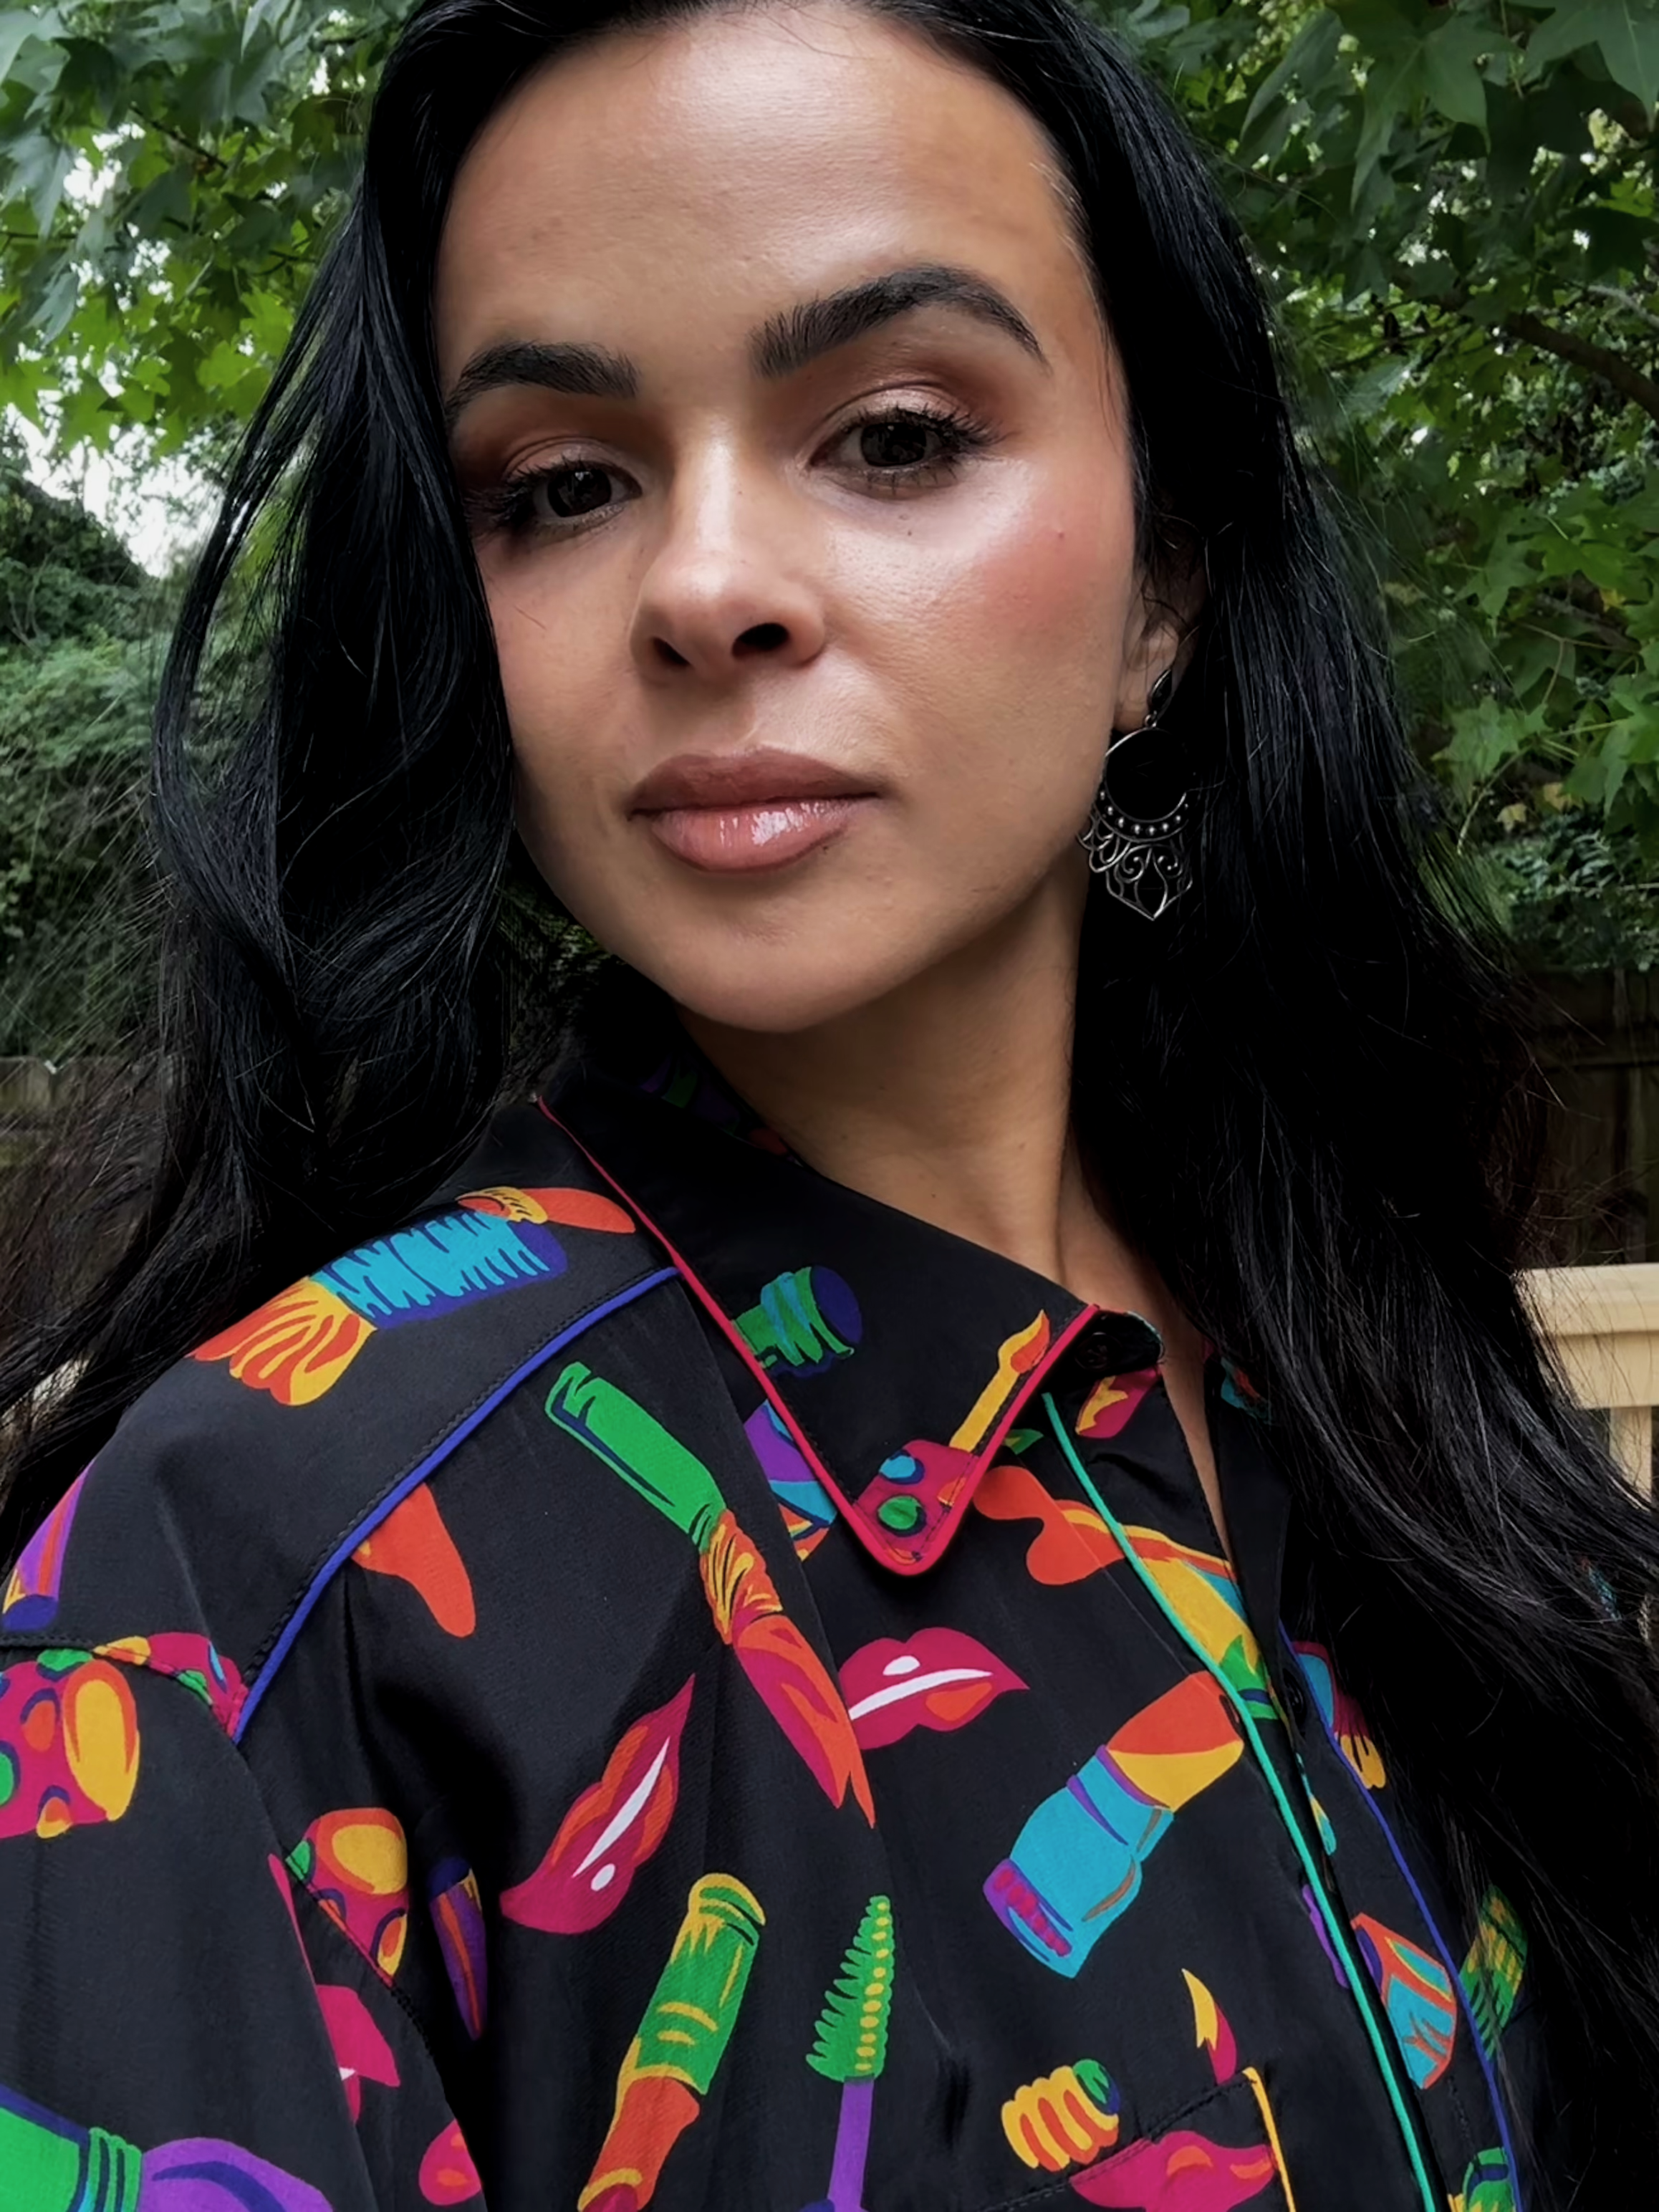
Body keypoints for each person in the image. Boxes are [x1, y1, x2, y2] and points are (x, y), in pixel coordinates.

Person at [0, 0, 1655, 2205]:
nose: (701, 589)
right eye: (559, 487)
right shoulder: (264, 1563)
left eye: (889, 432)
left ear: (1164, 579)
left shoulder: (1357, 1365)